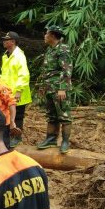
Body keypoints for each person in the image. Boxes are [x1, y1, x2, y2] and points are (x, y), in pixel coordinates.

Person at [37, 25, 73, 154]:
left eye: (46, 33)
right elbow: (46, 71)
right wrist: (42, 87)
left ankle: (65, 141)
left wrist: (62, 88)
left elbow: (67, 70)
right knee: (51, 115)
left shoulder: (63, 49)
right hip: (49, 88)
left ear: (52, 35)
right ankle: (51, 139)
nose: (45, 36)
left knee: (64, 115)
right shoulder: (50, 50)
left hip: (59, 88)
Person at [1, 31, 31, 147]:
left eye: (6, 40)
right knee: (8, 114)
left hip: (18, 91)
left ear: (13, 42)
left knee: (18, 115)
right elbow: (4, 74)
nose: (4, 41)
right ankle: (8, 136)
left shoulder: (19, 56)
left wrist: (18, 91)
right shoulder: (6, 55)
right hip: (7, 92)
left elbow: (23, 74)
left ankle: (16, 138)